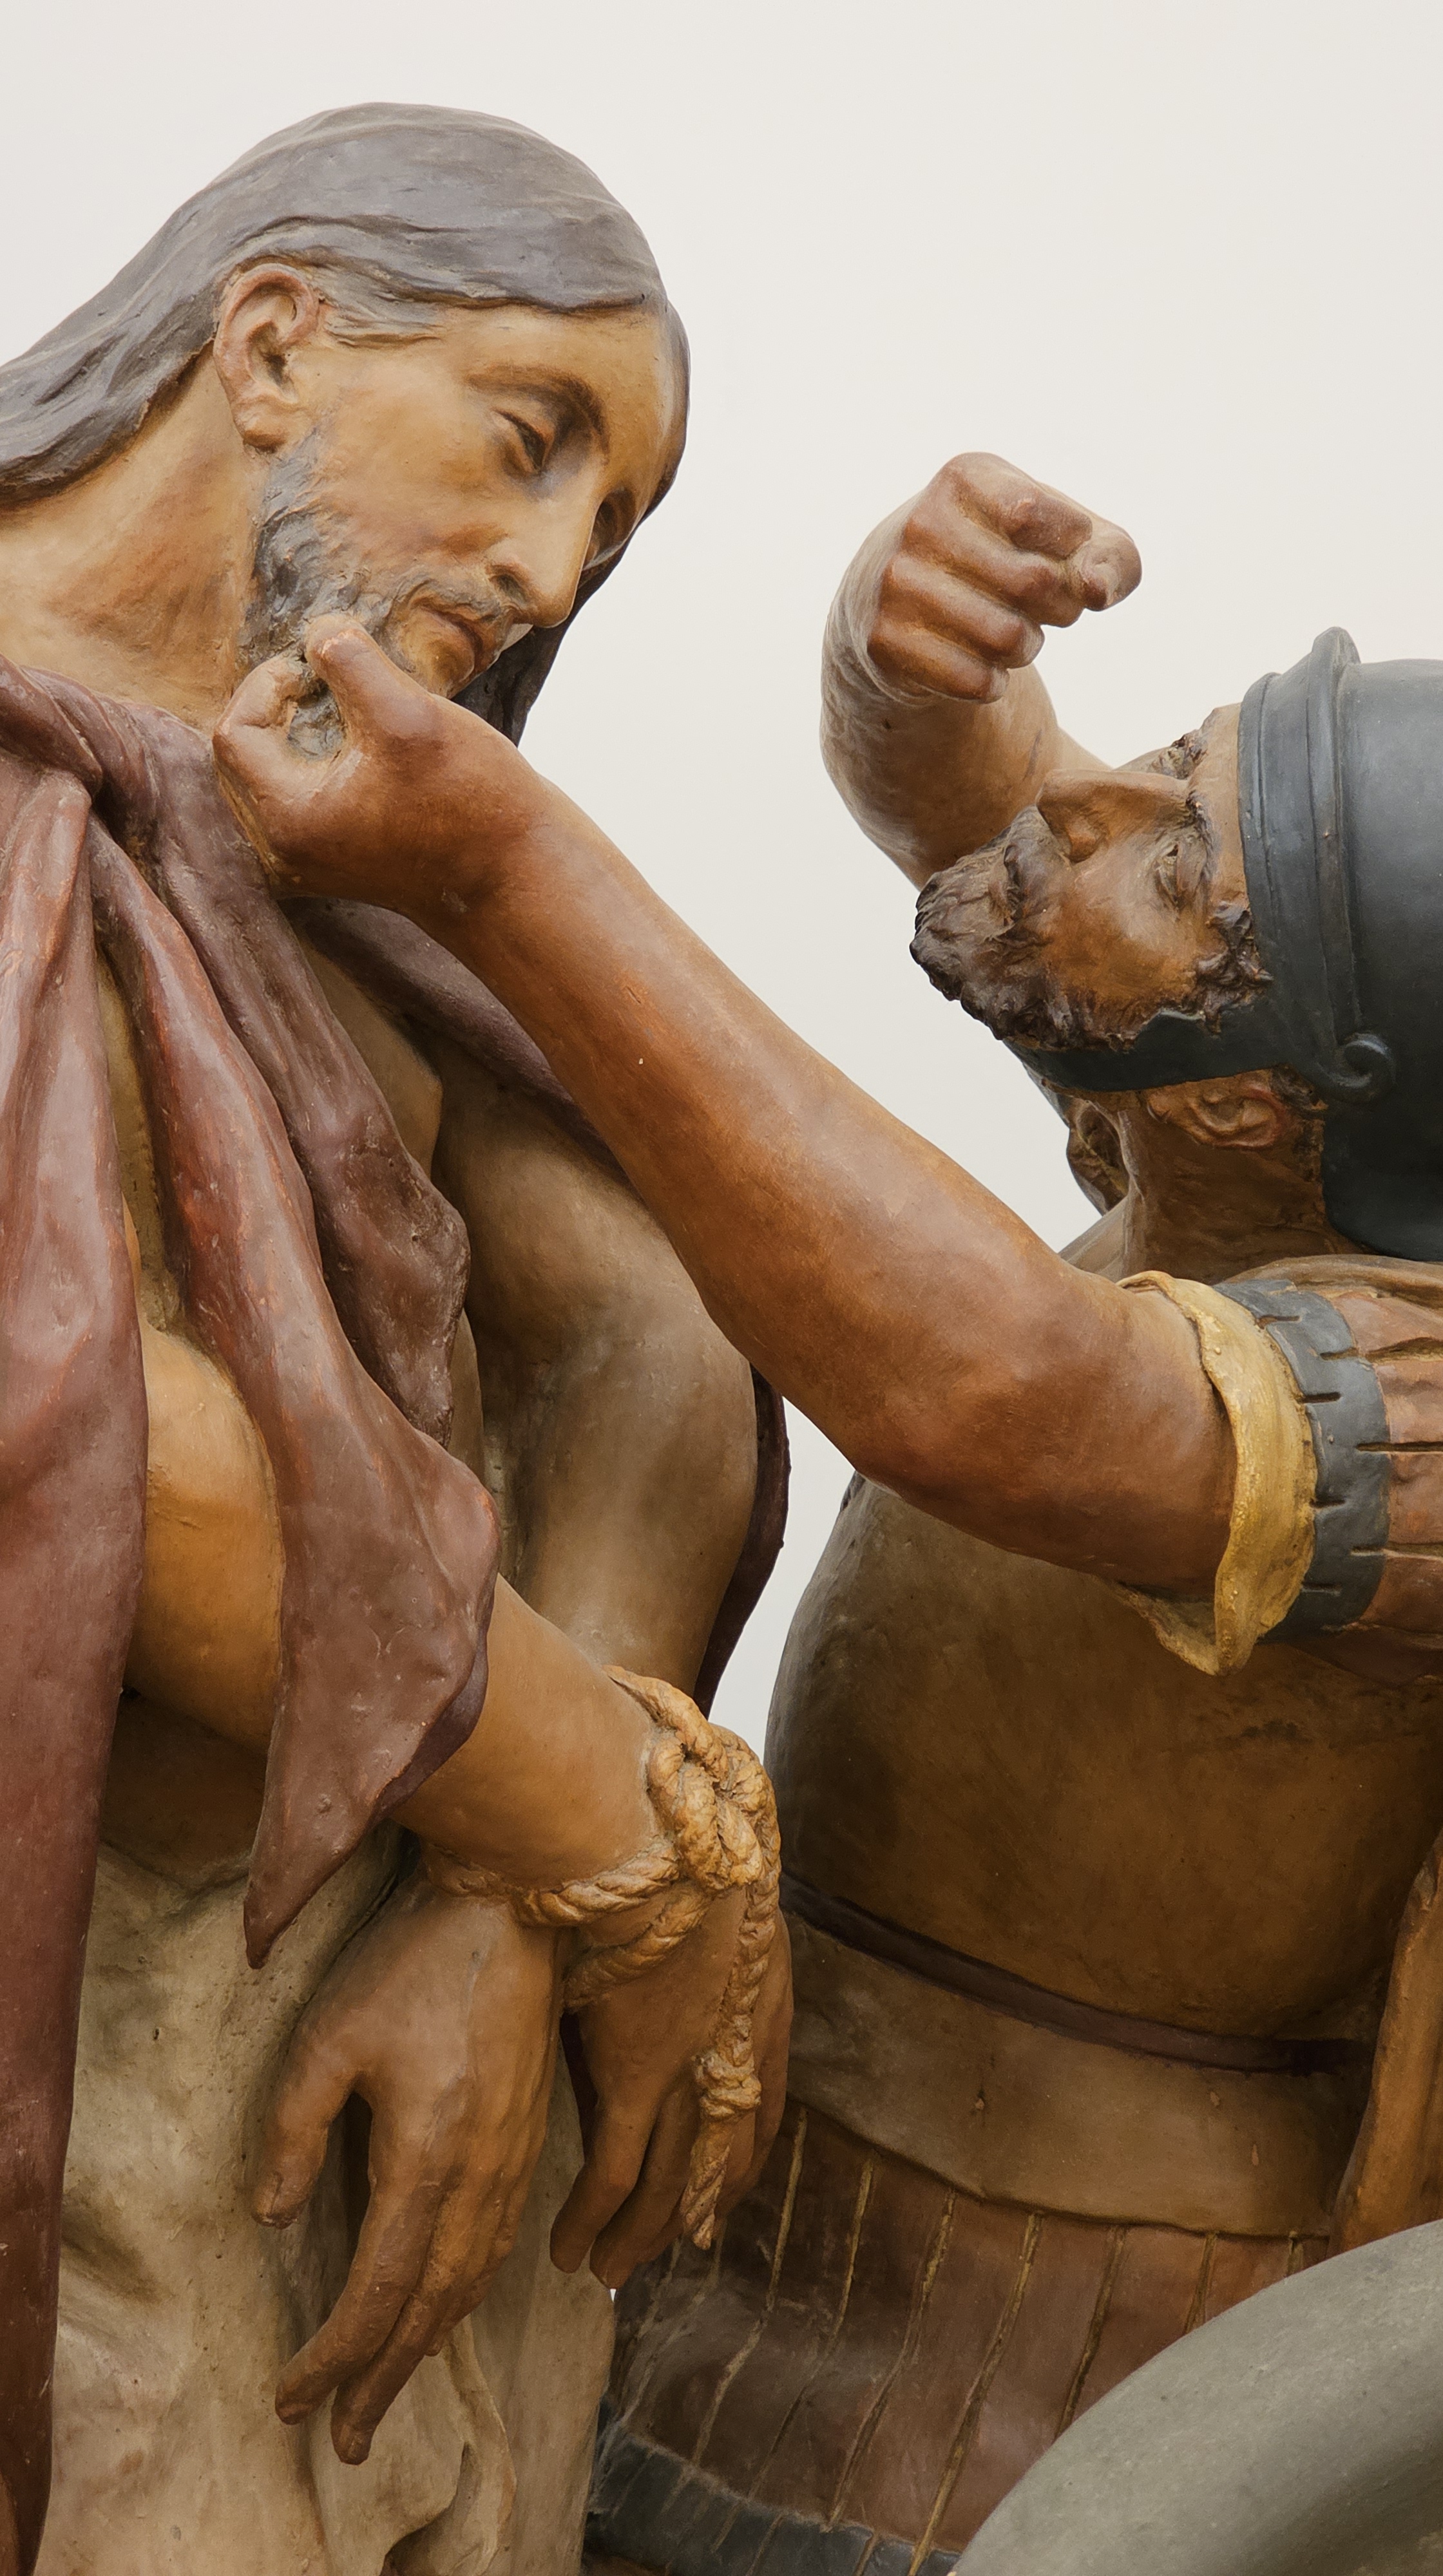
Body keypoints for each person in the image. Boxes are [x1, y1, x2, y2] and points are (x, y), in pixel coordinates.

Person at [216, 449, 1443, 2574]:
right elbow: (1012, 854)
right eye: (1173, 755)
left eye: (1178, 855)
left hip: (1027, 2352)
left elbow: (986, 1390)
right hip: (745, 2134)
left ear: (1266, 1099)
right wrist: (919, 666)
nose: (1095, 800)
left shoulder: (1395, 1414)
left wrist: (504, 870)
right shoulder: (1207, 1140)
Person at [0, 105, 789, 2576]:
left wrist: (505, 1917)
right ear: (270, 342)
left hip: (408, 2089)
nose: (550, 567)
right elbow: (80, 1419)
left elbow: (651, 1332)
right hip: (80, 2107)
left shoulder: (340, 831)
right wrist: (604, 1825)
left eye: (607, 529)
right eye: (530, 438)